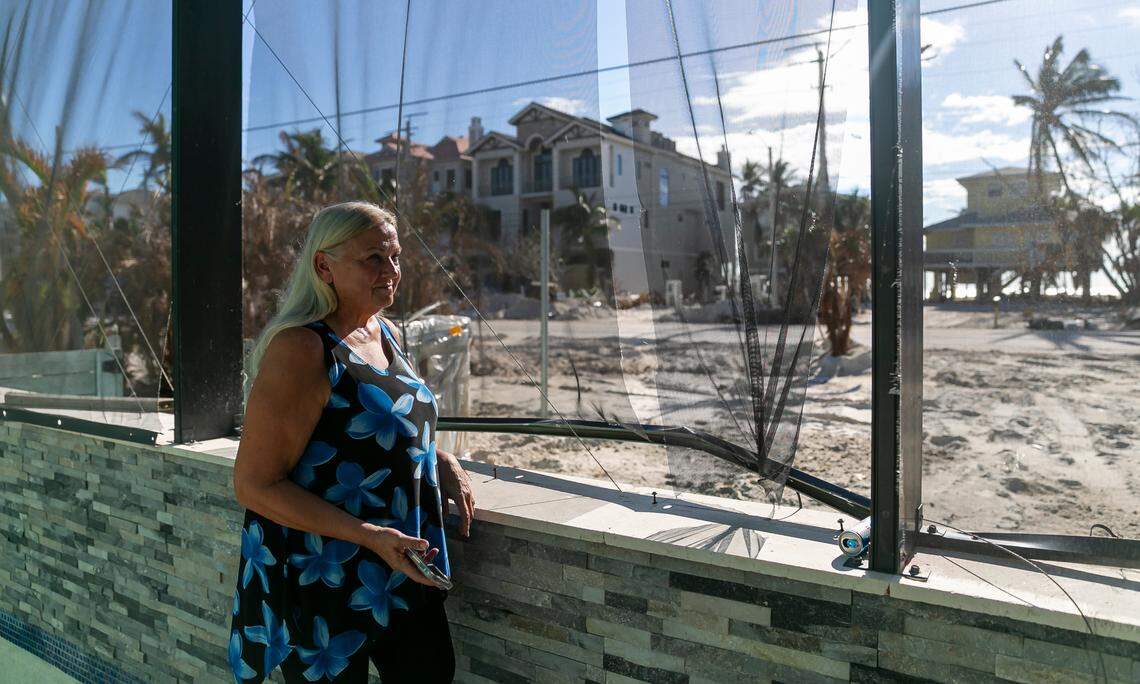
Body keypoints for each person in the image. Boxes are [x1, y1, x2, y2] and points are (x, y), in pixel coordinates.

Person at [230, 201, 474, 683]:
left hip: (401, 572)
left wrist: (438, 458)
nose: (392, 271)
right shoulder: (302, 348)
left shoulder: (381, 330)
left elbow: (379, 427)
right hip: (325, 583)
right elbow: (255, 485)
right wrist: (369, 536)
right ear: (324, 266)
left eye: (396, 257)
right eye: (373, 259)